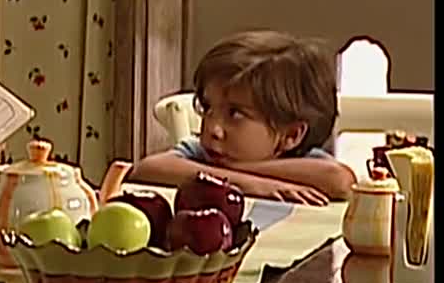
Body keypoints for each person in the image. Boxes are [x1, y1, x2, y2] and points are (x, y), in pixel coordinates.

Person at [131, 30, 356, 205]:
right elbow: (148, 168)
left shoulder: (304, 161)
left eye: (235, 113)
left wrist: (238, 168)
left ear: (291, 135)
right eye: (208, 108)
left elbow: (340, 181)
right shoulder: (201, 154)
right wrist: (251, 184)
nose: (212, 129)